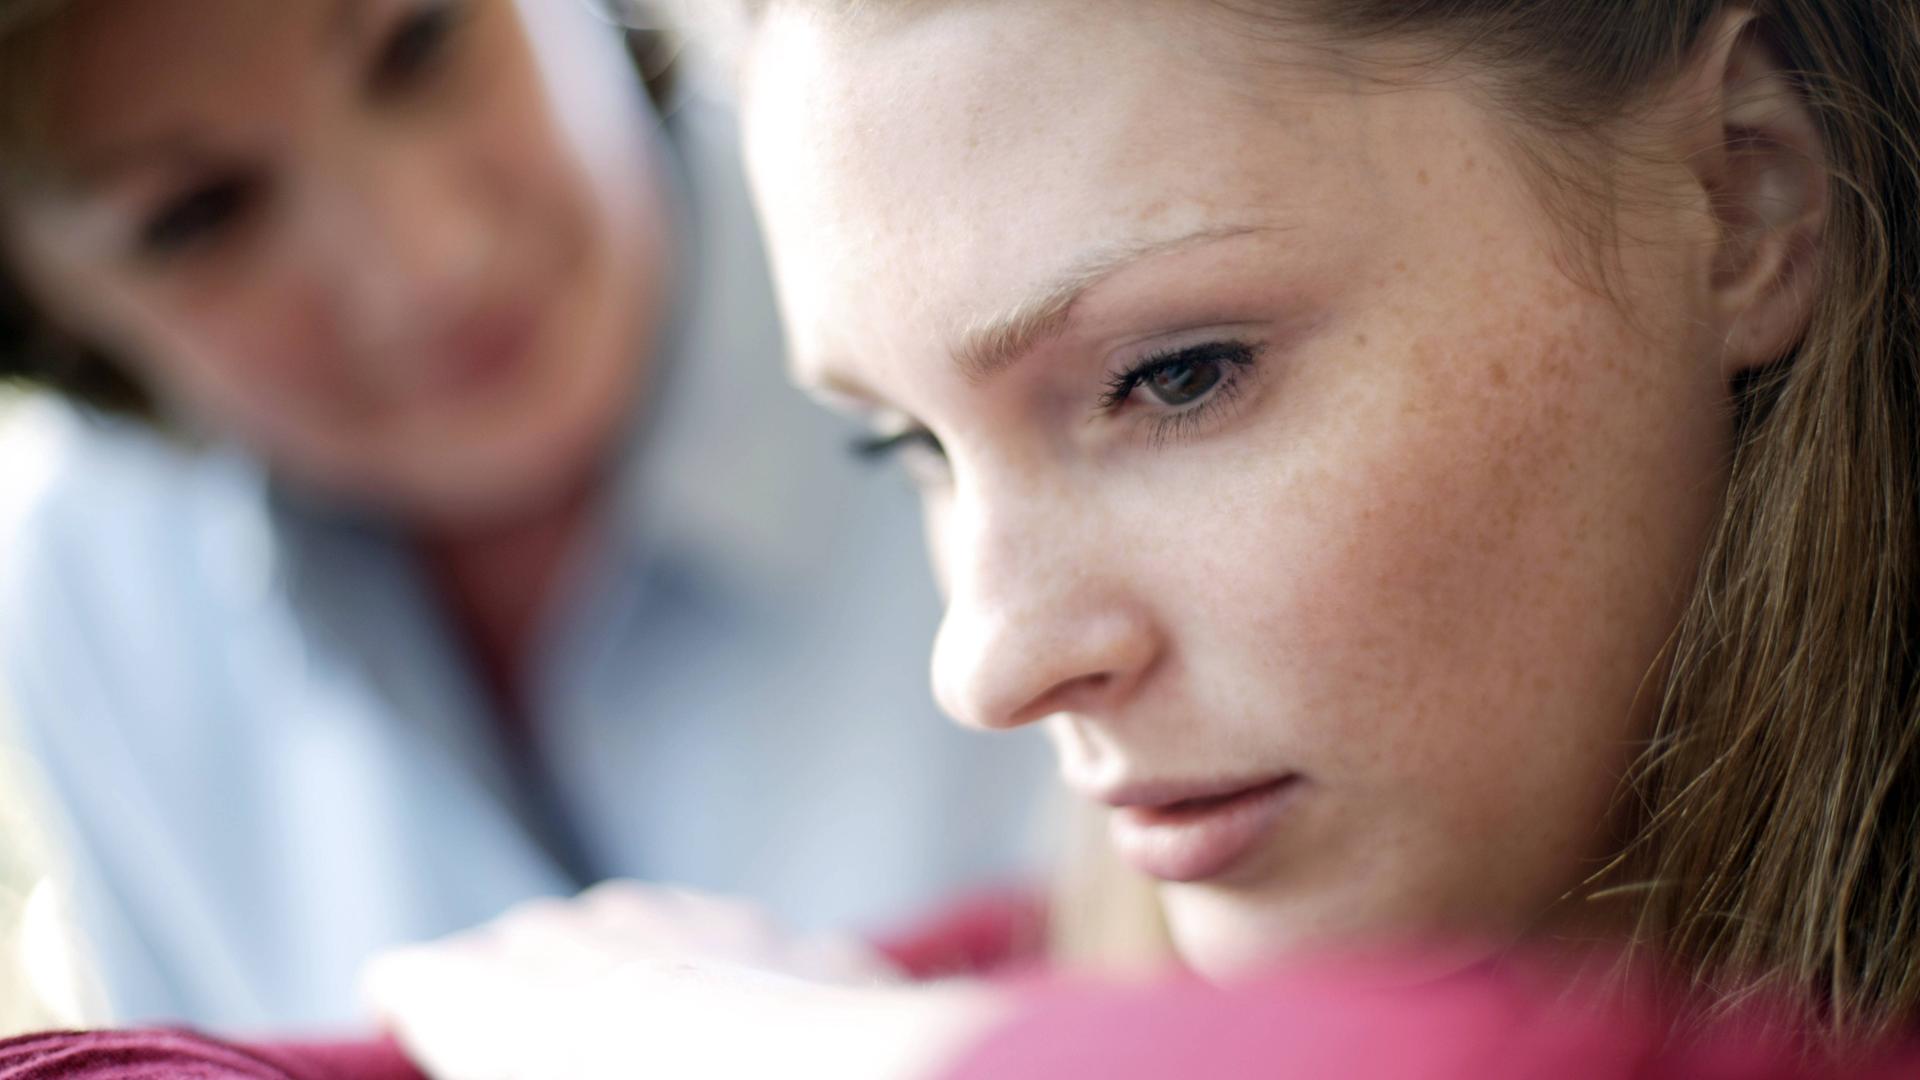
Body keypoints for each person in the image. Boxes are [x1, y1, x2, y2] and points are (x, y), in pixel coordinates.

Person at [349, 0, 1920, 1076]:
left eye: (1175, 377)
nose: (990, 662)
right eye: (906, 441)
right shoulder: (1063, 960)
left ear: (1744, 192)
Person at [0, 0, 1049, 1030]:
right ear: (46, 315)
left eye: (420, 44)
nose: (429, 262)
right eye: (199, 214)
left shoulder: (1020, 289)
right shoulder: (90, 594)